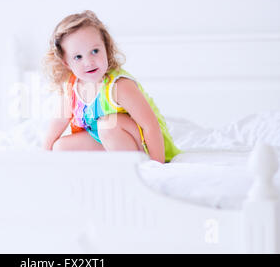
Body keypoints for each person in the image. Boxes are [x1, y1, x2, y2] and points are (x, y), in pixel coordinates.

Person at [42, 10, 181, 163]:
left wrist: (157, 166)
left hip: (147, 146)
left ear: (106, 48)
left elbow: (151, 127)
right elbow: (56, 124)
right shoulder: (72, 87)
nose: (88, 62)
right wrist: (42, 160)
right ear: (66, 62)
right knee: (60, 148)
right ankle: (107, 169)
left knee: (107, 125)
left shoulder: (120, 86)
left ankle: (132, 168)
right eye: (78, 57)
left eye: (95, 51)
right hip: (108, 142)